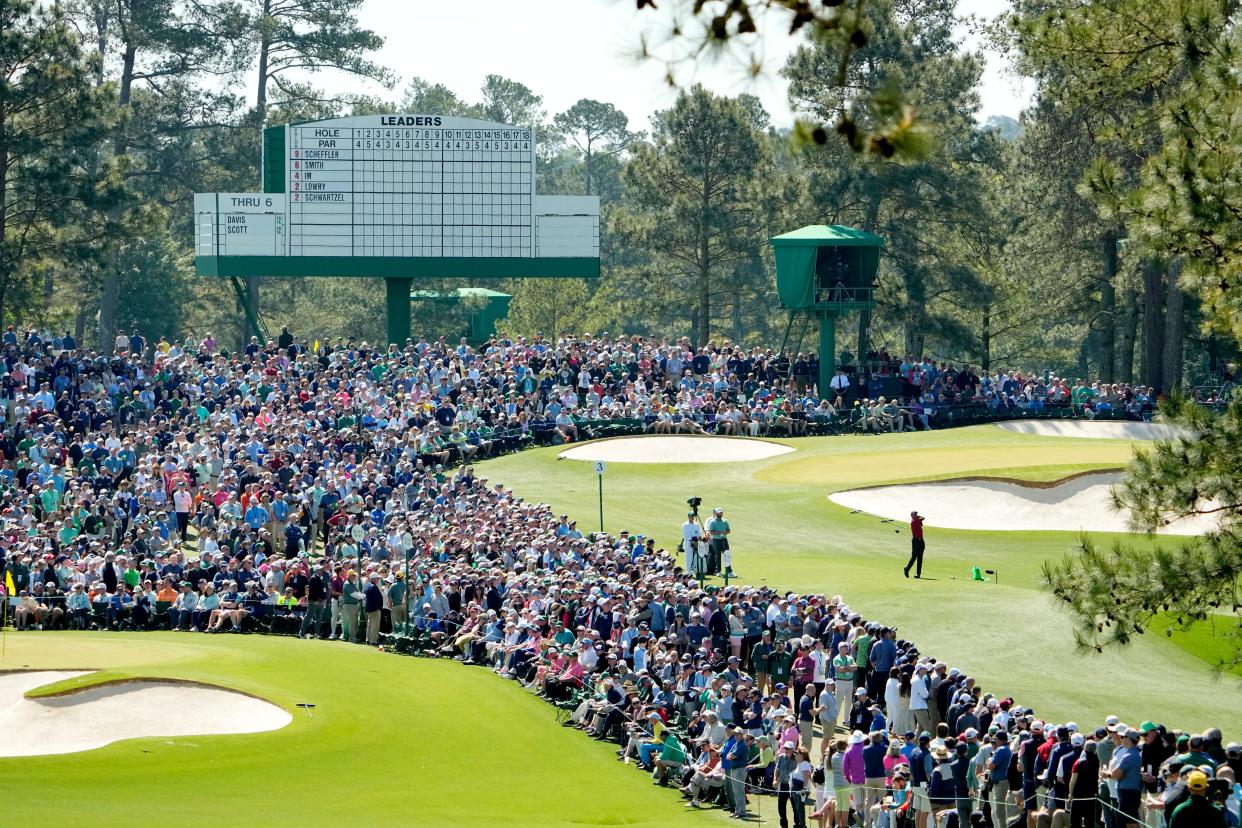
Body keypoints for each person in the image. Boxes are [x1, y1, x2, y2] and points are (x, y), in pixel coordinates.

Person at [706, 507, 730, 577]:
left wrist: (725, 532)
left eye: (721, 512)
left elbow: (729, 530)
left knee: (727, 555)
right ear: (716, 513)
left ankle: (729, 571)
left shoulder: (725, 521)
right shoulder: (712, 522)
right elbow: (711, 532)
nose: (720, 514)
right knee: (717, 556)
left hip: (724, 540)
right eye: (719, 513)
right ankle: (718, 571)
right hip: (716, 540)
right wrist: (720, 532)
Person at [903, 511, 925, 579]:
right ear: (912, 516)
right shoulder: (914, 522)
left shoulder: (917, 520)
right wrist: (917, 517)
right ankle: (907, 569)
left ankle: (918, 574)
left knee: (920, 558)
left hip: (921, 541)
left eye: (916, 514)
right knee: (914, 557)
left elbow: (922, 518)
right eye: (915, 514)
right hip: (915, 541)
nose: (916, 515)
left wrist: (917, 516)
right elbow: (923, 518)